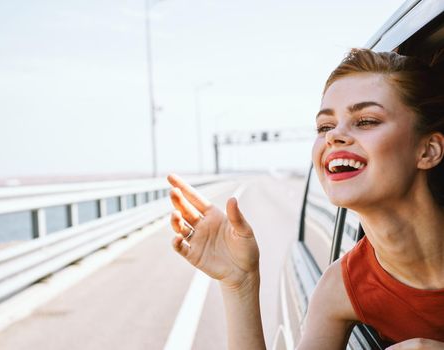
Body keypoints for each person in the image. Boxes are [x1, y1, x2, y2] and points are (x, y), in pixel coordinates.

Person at [166, 48, 444, 349]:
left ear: (428, 150)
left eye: (365, 121)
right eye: (325, 126)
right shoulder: (341, 287)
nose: (333, 136)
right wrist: (239, 282)